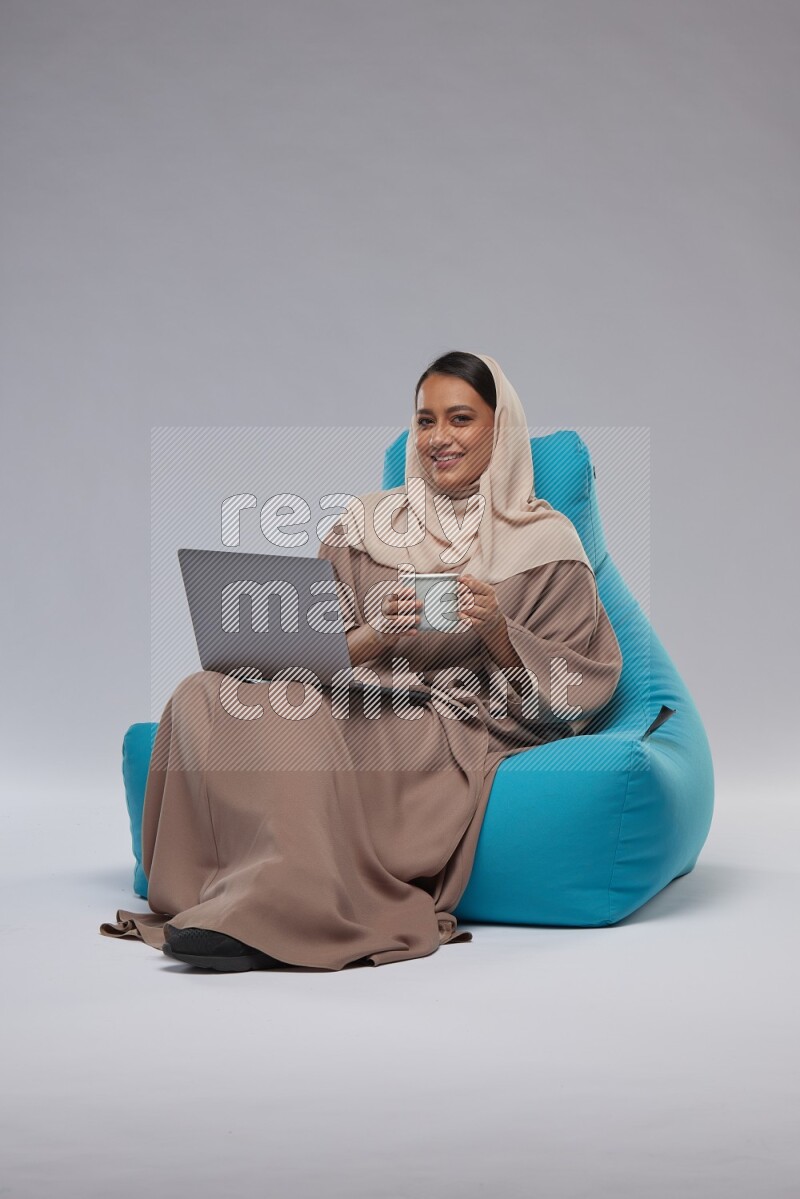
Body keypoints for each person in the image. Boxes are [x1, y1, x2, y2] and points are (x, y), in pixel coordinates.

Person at [100, 351, 623, 972]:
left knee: (295, 723)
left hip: (446, 720)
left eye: (461, 419)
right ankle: (220, 891)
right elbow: (316, 652)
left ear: (499, 428)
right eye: (426, 421)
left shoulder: (547, 542)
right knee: (203, 692)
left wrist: (498, 631)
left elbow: (574, 704)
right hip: (354, 690)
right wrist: (375, 637)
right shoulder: (365, 523)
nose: (439, 438)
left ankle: (277, 909)